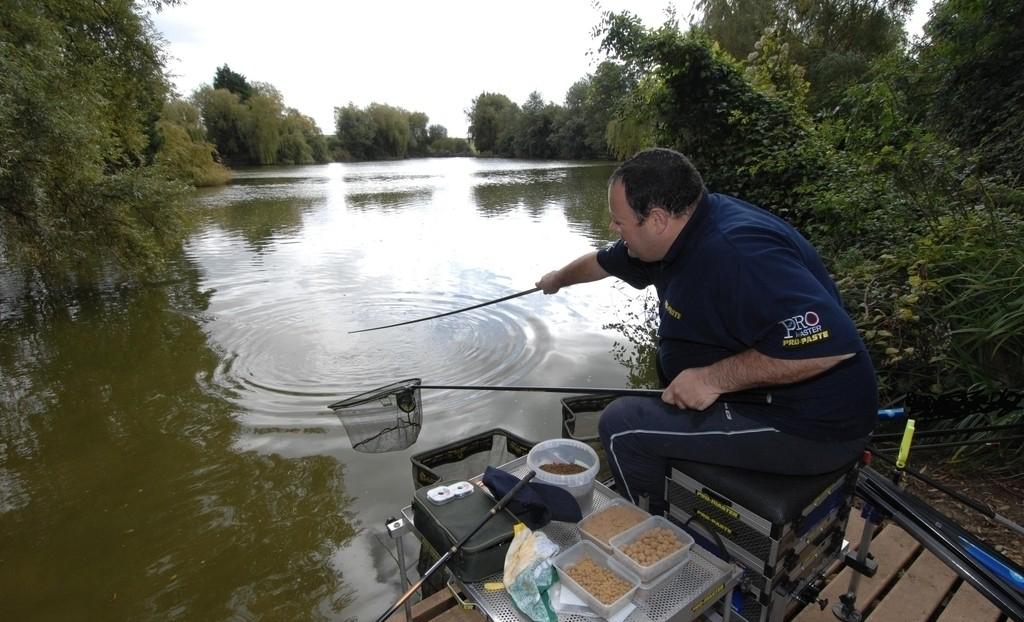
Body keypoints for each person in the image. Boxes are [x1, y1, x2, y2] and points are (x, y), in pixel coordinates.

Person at [536, 148, 877, 515]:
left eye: (619, 222)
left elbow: (831, 344)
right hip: (759, 400)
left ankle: (653, 536)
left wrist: (713, 379)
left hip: (810, 426)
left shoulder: (738, 254)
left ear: (657, 220)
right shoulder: (672, 235)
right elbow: (602, 262)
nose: (612, 229)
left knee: (622, 426)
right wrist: (557, 280)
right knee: (653, 407)